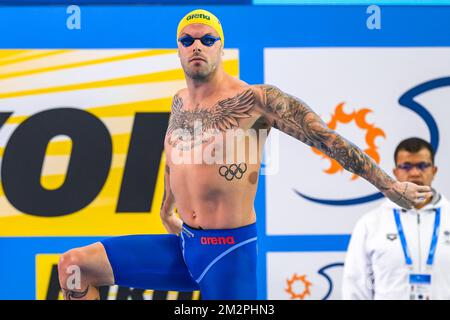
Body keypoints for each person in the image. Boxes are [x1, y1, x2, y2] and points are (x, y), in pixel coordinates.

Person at [58, 9, 431, 300]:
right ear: (178, 49)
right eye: (187, 40)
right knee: (74, 266)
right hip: (187, 245)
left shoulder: (256, 100)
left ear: (221, 46)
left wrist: (389, 186)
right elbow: (176, 157)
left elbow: (327, 140)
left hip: (229, 254)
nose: (197, 46)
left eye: (207, 39)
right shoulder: (179, 102)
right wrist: (165, 206)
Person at [342, 138, 450, 300]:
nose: (414, 173)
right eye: (406, 166)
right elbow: (355, 286)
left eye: (422, 166)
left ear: (434, 170)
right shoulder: (370, 223)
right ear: (395, 172)